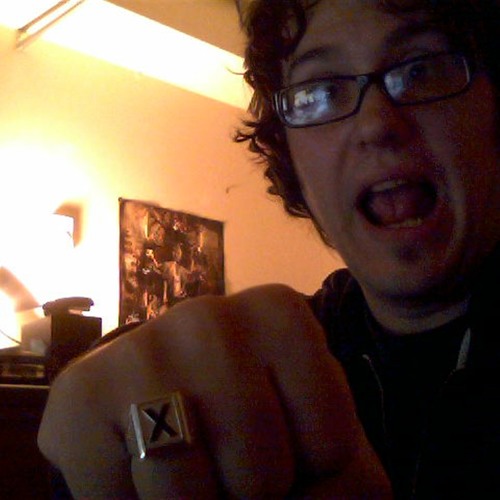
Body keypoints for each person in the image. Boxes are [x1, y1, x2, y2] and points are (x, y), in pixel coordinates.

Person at [38, 0, 500, 498]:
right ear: (291, 156)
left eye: (420, 69)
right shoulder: (278, 359)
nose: (376, 124)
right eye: (321, 91)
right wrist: (98, 395)